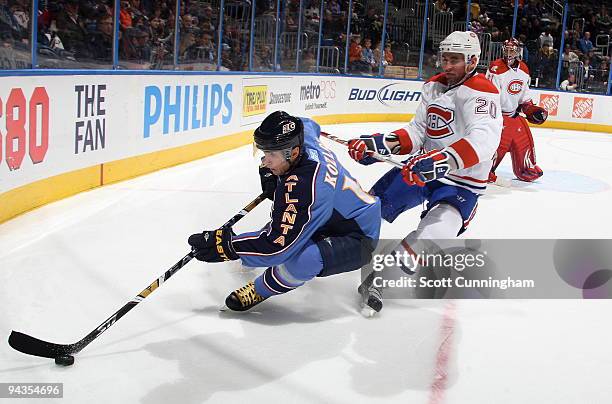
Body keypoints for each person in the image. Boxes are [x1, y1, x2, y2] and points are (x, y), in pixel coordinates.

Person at [347, 31, 502, 314]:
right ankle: (321, 244)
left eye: (455, 60)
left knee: (434, 237)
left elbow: (485, 140)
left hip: (460, 183)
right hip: (421, 170)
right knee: (365, 211)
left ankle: (379, 278)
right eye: (445, 58)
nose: (447, 65)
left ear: (473, 61)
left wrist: (441, 161)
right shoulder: (433, 87)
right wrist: (381, 144)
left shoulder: (482, 92)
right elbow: (419, 130)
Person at [188, 111, 381, 312]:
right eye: (264, 153)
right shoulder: (302, 137)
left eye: (272, 155)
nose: (266, 161)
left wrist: (227, 246)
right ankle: (251, 254)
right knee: (285, 220)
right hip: (330, 214)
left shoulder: (306, 187)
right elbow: (308, 123)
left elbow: (277, 249)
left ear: (294, 153)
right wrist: (269, 172)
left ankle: (261, 289)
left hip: (357, 237)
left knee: (303, 260)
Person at [485, 37, 548, 183]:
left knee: (524, 138)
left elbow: (524, 97)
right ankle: (484, 170)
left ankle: (526, 168)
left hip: (513, 115)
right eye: (506, 49)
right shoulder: (496, 68)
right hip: (498, 117)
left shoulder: (524, 70)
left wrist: (530, 109)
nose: (508, 53)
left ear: (517, 51)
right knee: (499, 144)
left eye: (511, 50)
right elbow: (490, 95)